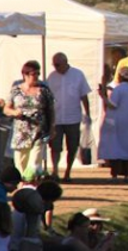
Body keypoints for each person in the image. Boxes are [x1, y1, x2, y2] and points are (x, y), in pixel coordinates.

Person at [4, 61, 56, 175]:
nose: (37, 76)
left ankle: (32, 183)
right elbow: (6, 109)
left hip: (39, 132)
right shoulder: (15, 90)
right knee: (20, 164)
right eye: (34, 74)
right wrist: (14, 112)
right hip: (21, 133)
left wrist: (52, 127)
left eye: (38, 73)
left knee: (34, 163)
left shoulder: (44, 90)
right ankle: (23, 185)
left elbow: (51, 110)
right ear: (25, 75)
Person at [47, 53, 91, 182]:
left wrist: (87, 113)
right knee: (55, 146)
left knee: (72, 146)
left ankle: (68, 172)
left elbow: (84, 95)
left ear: (65, 62)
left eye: (57, 64)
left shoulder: (78, 75)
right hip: (56, 117)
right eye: (54, 64)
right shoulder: (51, 77)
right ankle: (55, 170)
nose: (55, 67)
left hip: (73, 117)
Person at [98, 67, 128, 182]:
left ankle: (114, 175)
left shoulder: (118, 90)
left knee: (115, 148)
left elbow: (113, 105)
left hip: (118, 123)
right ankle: (127, 175)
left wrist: (103, 97)